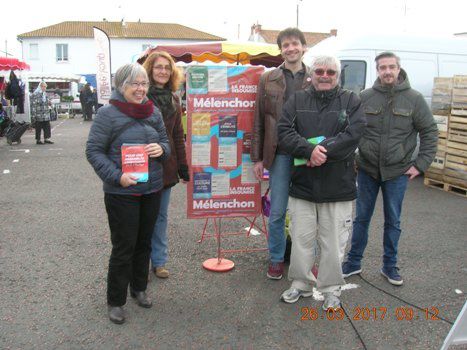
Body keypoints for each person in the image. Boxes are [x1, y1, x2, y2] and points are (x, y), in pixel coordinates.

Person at [277, 55, 366, 309]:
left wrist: (321, 151)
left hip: (338, 186)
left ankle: (330, 289)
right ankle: (300, 284)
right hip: (303, 185)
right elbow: (284, 131)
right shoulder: (297, 99)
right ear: (311, 75)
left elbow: (355, 133)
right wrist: (308, 150)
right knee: (301, 239)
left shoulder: (351, 100)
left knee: (333, 242)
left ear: (337, 76)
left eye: (330, 72)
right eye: (319, 71)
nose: (324, 76)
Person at [342, 52, 438, 286]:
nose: (387, 71)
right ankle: (353, 262)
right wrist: (354, 156)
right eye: (383, 67)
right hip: (367, 169)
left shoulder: (414, 99)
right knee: (361, 218)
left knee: (393, 220)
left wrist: (421, 164)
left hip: (398, 172)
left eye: (391, 67)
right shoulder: (364, 97)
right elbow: (350, 128)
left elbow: (430, 131)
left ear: (398, 69)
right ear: (377, 70)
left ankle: (389, 266)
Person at [86, 63, 170, 324]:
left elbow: (165, 142)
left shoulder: (152, 111)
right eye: (135, 83)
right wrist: (117, 176)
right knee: (124, 246)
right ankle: (116, 300)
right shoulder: (107, 114)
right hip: (121, 191)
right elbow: (93, 151)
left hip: (151, 188)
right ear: (122, 86)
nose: (140, 88)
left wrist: (161, 149)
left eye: (144, 83)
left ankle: (139, 289)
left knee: (144, 242)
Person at [250, 27, 312, 280]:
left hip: (307, 154)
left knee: (307, 213)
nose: (290, 48)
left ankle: (304, 260)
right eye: (285, 45)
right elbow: (259, 119)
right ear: (281, 50)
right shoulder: (269, 78)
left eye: (295, 43)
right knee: (277, 212)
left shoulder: (315, 77)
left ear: (304, 47)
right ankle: (276, 258)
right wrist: (257, 157)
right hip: (279, 154)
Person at [142, 51, 189, 279]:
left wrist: (183, 166)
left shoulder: (174, 99)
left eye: (167, 68)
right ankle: (140, 261)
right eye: (158, 67)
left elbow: (178, 135)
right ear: (150, 69)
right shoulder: (140, 96)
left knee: (160, 216)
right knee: (142, 216)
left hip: (167, 166)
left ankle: (158, 261)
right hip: (141, 165)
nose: (163, 71)